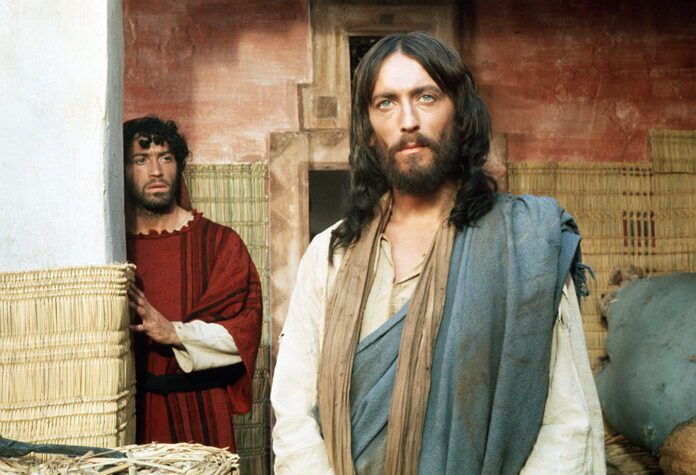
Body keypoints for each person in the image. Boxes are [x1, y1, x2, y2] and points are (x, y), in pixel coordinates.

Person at [271, 32, 604, 474]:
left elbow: (568, 423)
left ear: (460, 114)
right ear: (368, 130)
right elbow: (294, 413)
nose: (408, 120)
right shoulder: (330, 254)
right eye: (386, 103)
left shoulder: (525, 245)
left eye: (426, 97)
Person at [124, 116, 262, 451]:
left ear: (179, 166)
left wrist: (174, 333)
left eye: (166, 157)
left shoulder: (220, 244)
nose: (156, 171)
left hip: (202, 415)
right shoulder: (111, 252)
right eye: (141, 160)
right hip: (128, 418)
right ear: (122, 170)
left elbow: (244, 332)